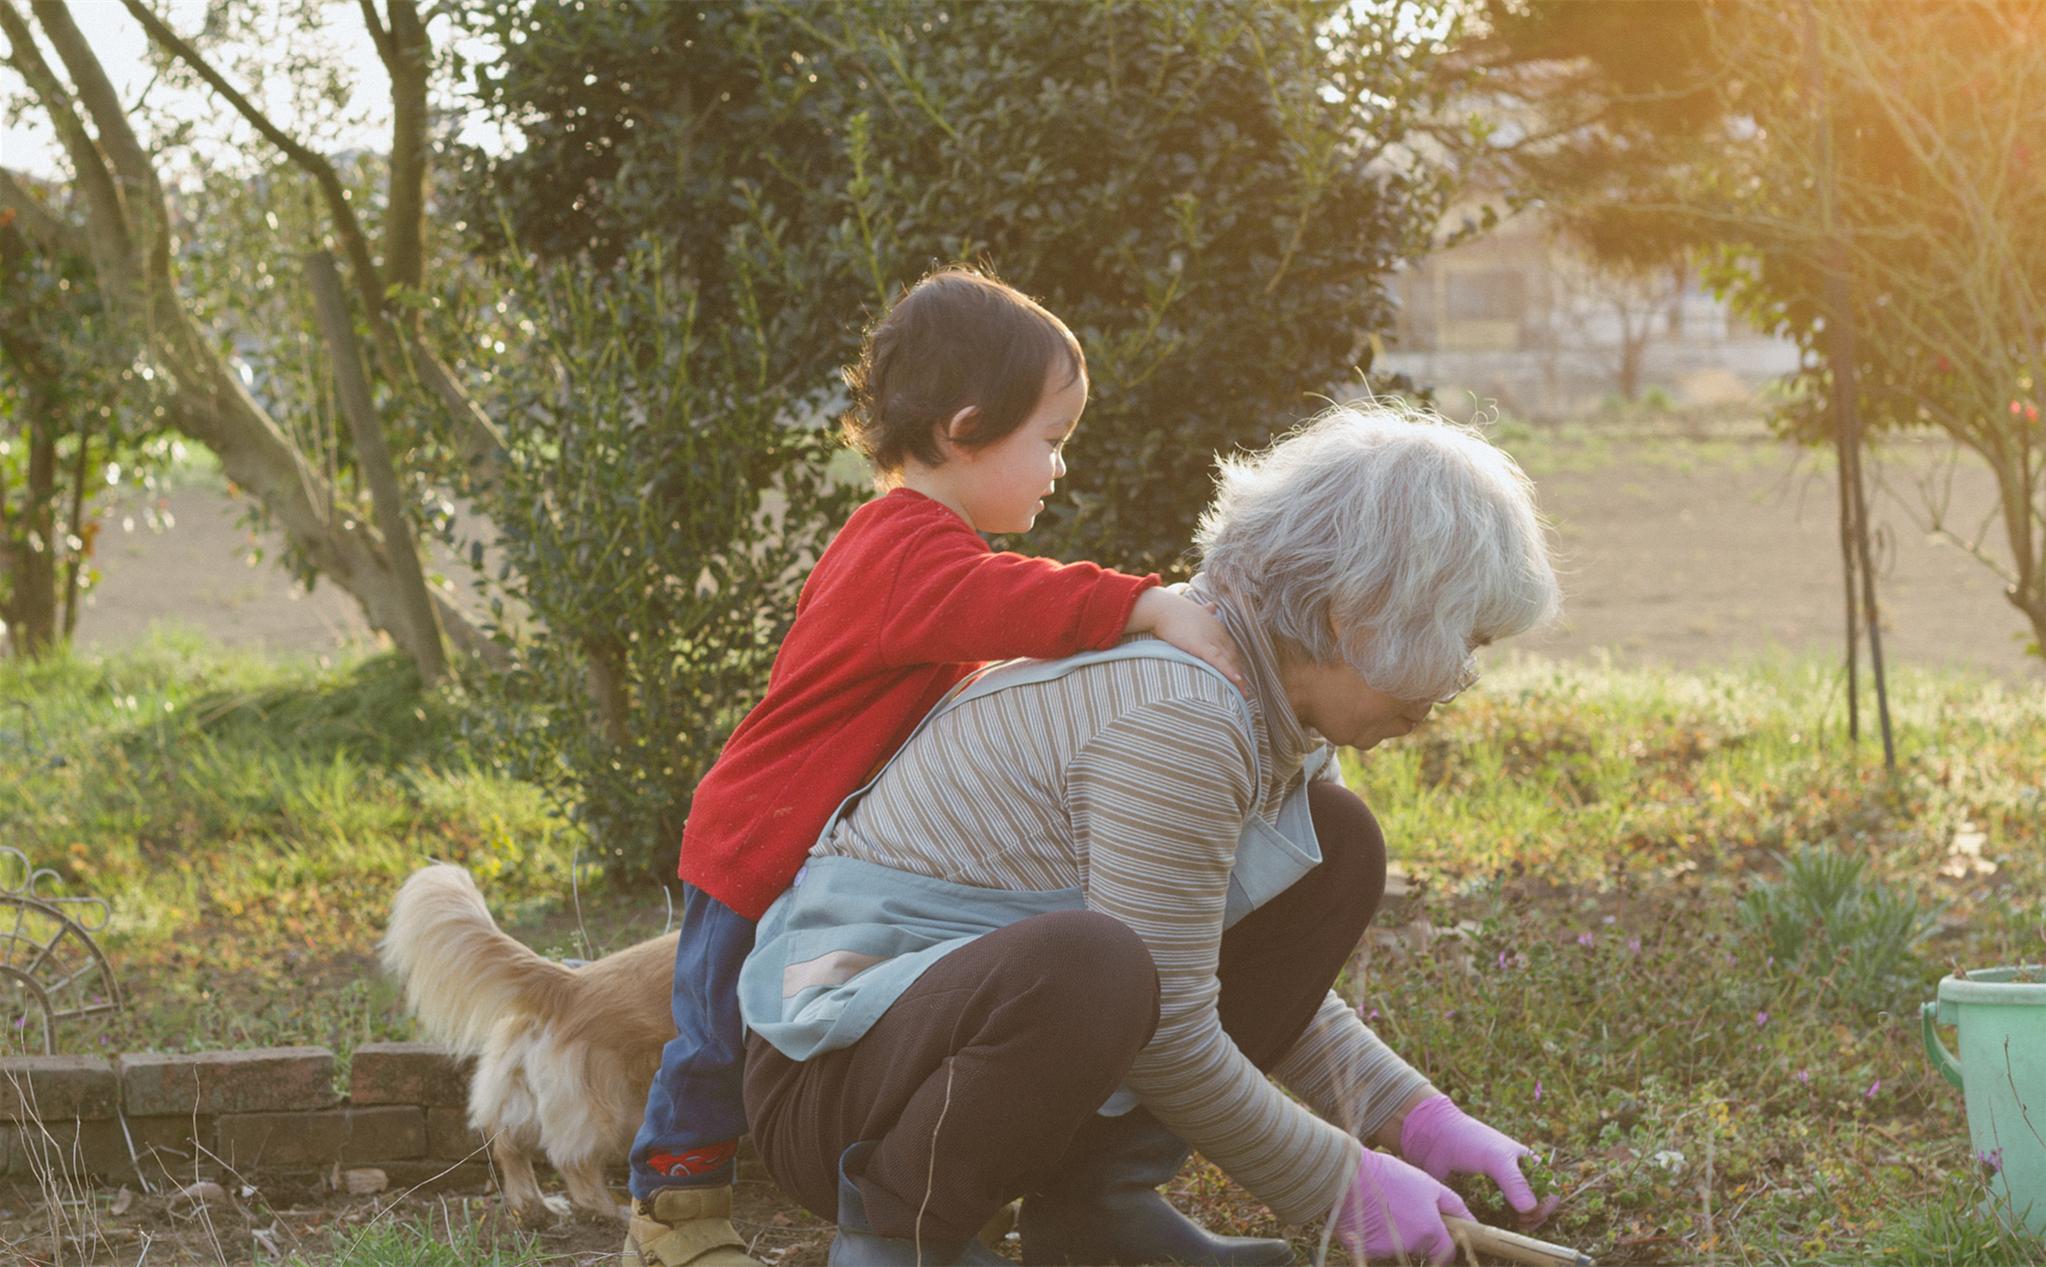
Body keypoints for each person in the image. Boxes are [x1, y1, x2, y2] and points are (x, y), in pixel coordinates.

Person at [737, 402, 1566, 1266]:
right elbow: (1169, 1026)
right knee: (1093, 965)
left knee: (1337, 842)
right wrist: (1341, 1185)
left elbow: (1225, 968)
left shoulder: (1275, 713)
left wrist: (1416, 1117)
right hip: (838, 1085)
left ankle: (1097, 1207)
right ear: (1351, 614)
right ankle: (899, 1233)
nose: (1461, 677)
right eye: (1464, 637)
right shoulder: (1181, 717)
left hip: (954, 1047)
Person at [623, 267, 1248, 1267]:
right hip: (759, 838)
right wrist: (1144, 603)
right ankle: (672, 1216)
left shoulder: (918, 545)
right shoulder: (904, 548)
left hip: (825, 844)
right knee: (713, 1040)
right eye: (1051, 439)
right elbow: (1009, 601)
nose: (1059, 469)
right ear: (964, 430)